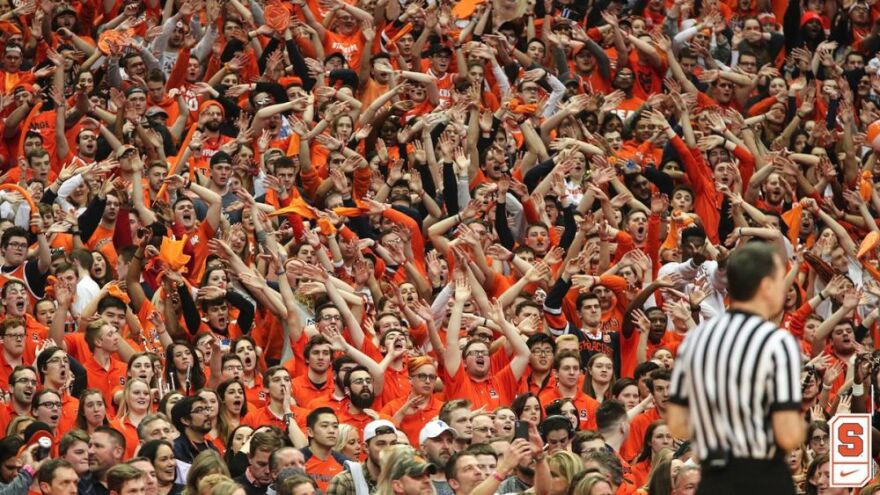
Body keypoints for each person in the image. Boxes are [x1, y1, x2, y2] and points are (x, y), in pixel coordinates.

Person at [668, 243, 804, 494]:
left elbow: (677, 423)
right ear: (765, 286)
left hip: (715, 479)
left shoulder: (697, 339)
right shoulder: (776, 341)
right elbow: (787, 433)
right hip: (765, 478)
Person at [326, 420, 399, 495]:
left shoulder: (402, 480)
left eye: (393, 443)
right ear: (366, 447)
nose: (389, 449)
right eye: (381, 444)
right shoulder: (344, 482)